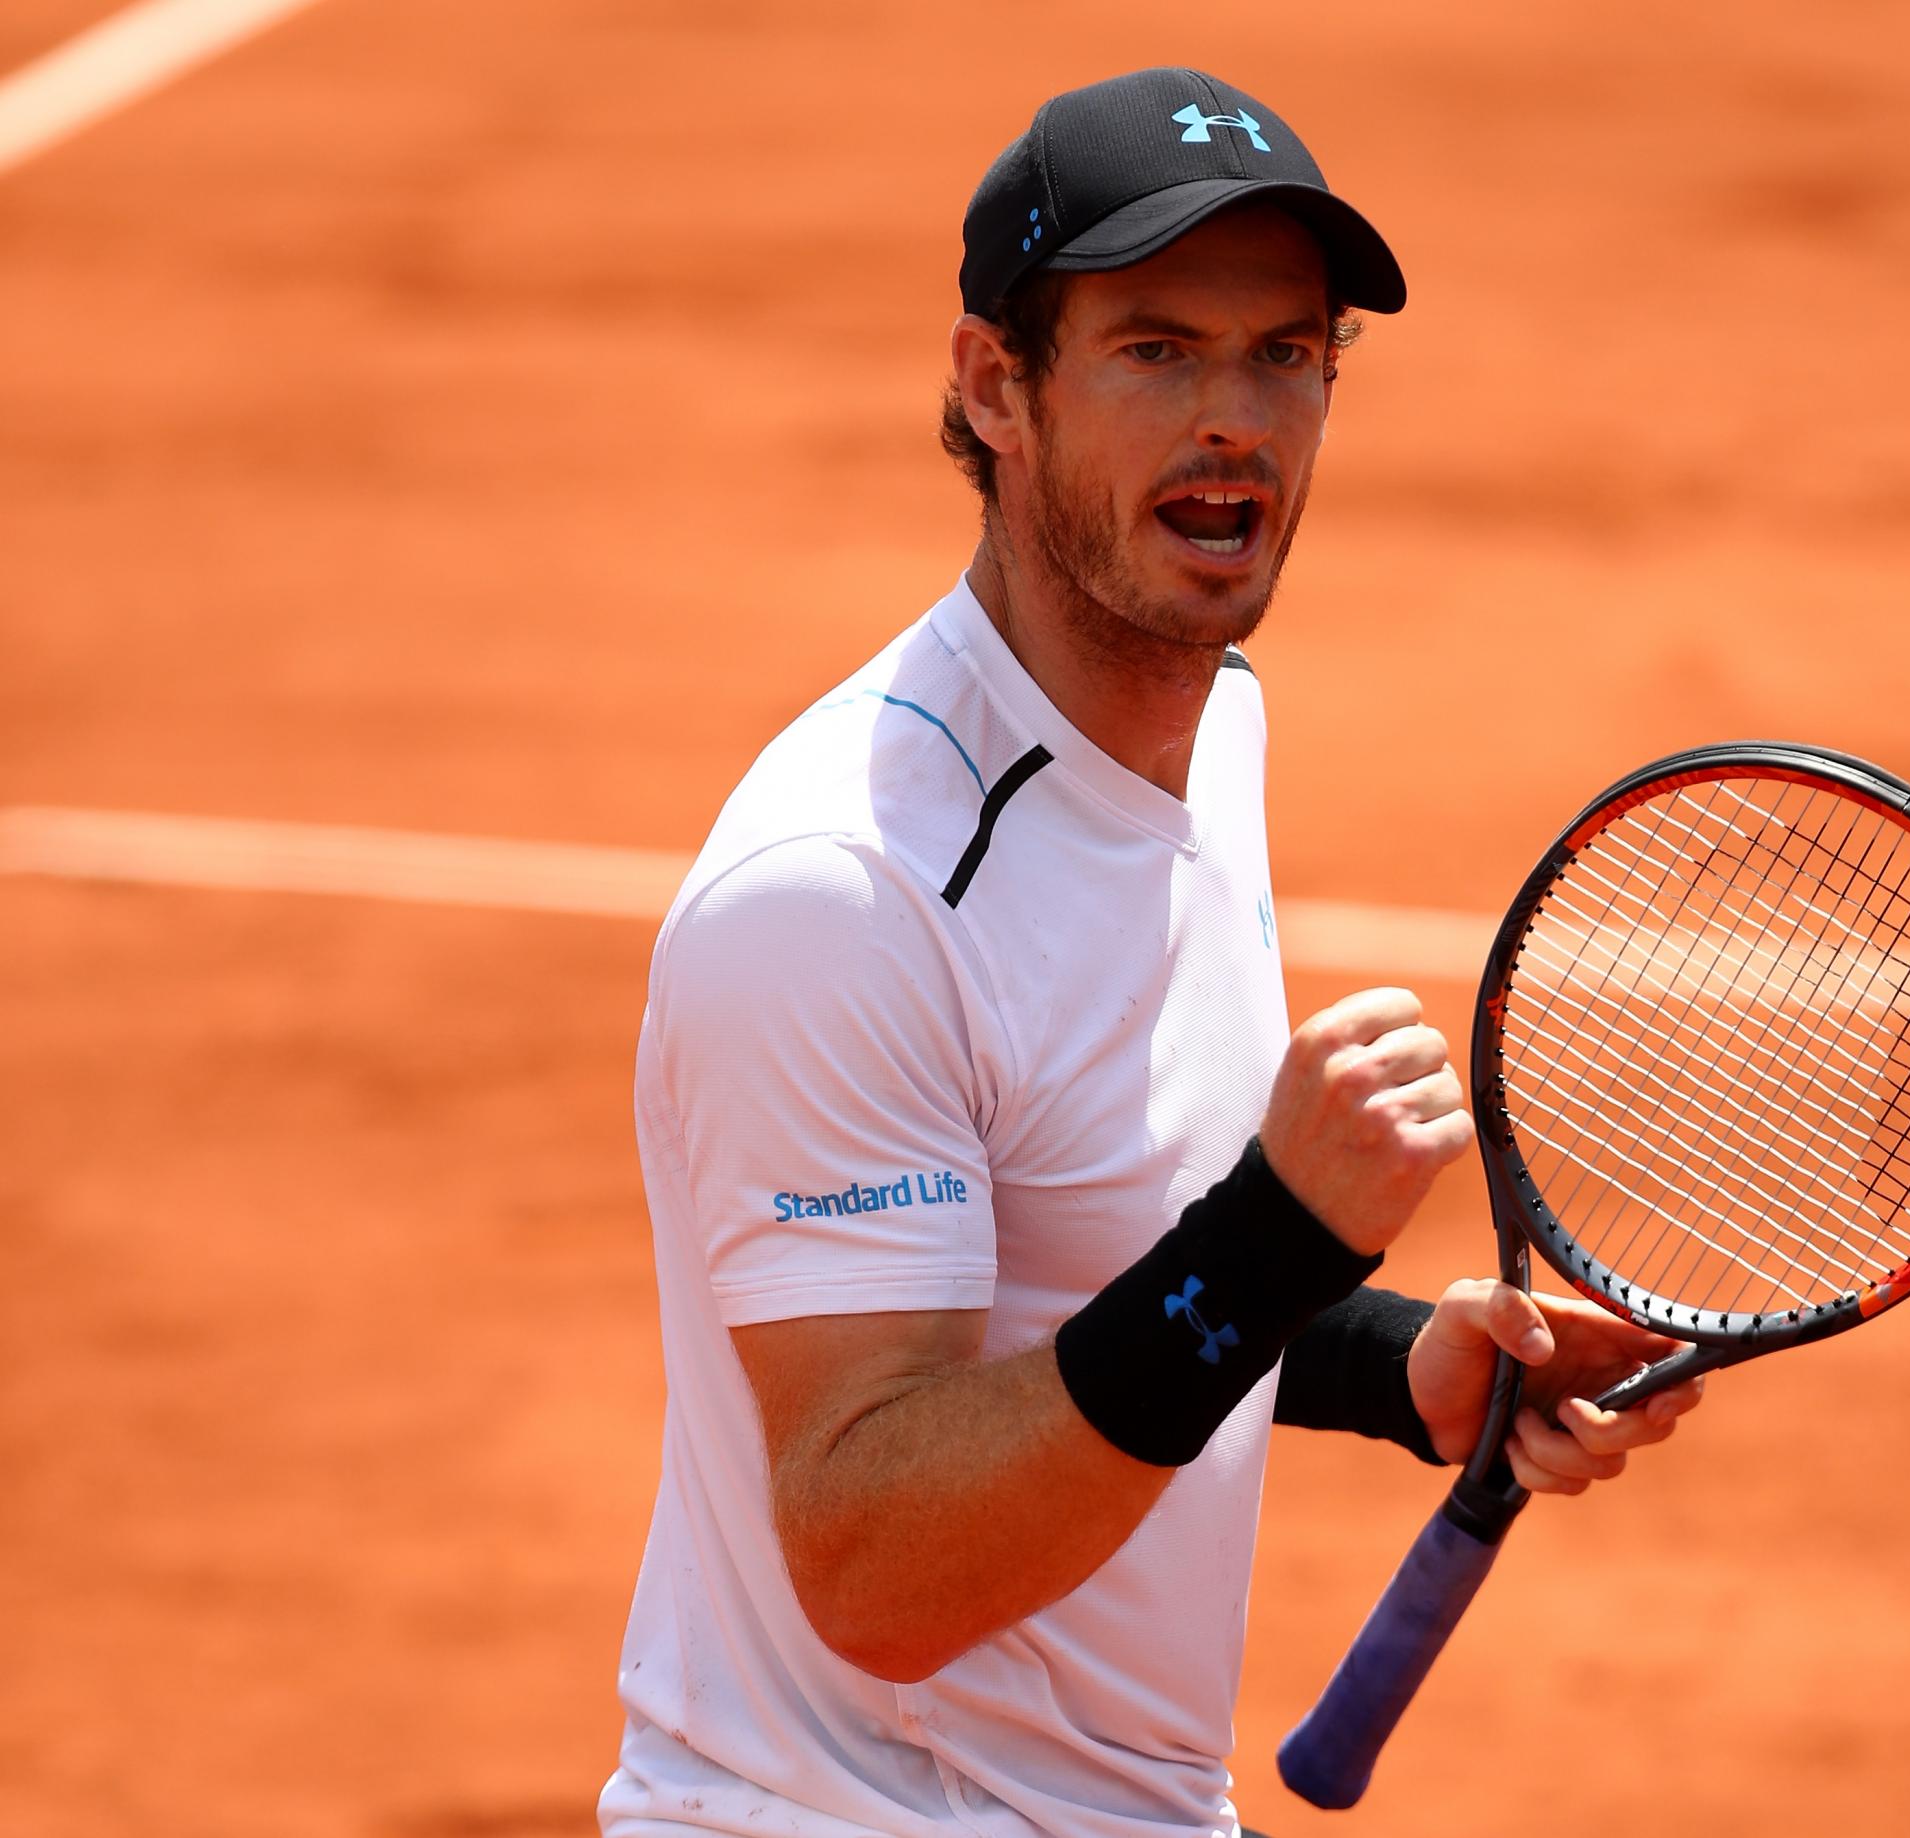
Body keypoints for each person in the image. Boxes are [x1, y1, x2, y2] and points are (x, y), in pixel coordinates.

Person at [599, 67, 1705, 1838]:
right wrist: (1277, 1233)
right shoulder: (841, 896)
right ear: (995, 385)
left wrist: (1401, 1359)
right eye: (1156, 350)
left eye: (1287, 353)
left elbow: (1104, 1257)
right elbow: (874, 1557)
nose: (1236, 424)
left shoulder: (1212, 729)